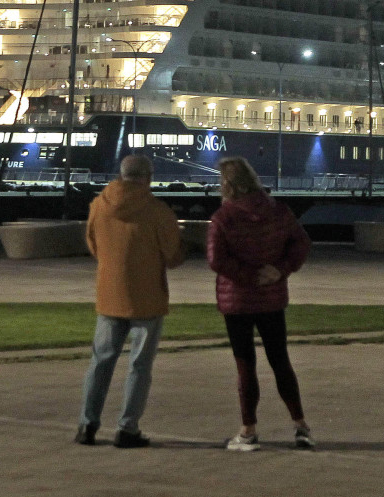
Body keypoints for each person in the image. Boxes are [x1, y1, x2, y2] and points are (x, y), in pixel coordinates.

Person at [75, 154, 185, 448]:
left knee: (100, 363)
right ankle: (127, 428)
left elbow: (93, 244)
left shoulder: (99, 205)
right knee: (139, 366)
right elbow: (173, 256)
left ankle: (87, 425)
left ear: (121, 174)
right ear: (148, 176)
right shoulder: (158, 211)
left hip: (110, 294)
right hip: (147, 298)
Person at [206, 156, 314, 451]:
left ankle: (248, 431)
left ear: (227, 185)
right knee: (280, 361)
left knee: (245, 365)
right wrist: (280, 270)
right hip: (272, 296)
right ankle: (300, 426)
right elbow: (301, 243)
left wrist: (247, 277)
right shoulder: (279, 211)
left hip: (238, 299)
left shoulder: (224, 218)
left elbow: (216, 259)